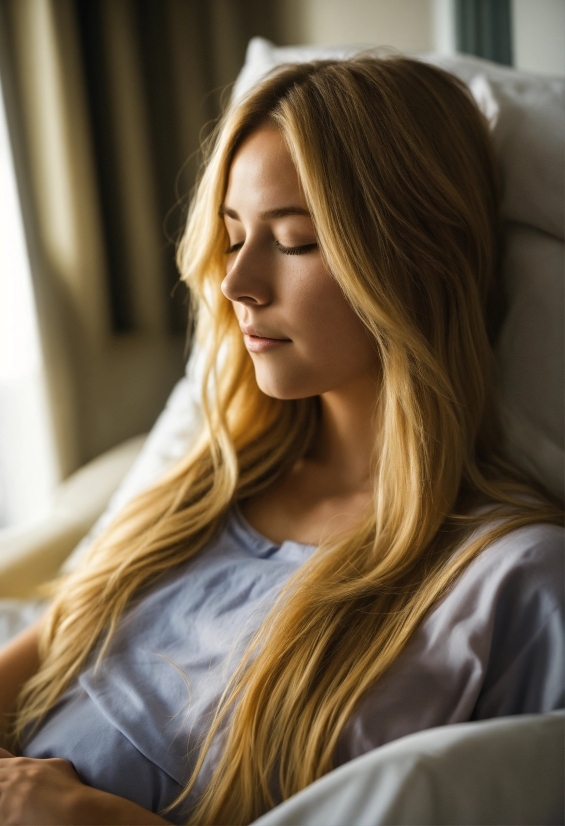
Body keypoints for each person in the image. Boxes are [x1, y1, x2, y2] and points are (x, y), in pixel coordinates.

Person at [0, 56, 562, 825]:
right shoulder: (209, 486)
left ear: (416, 257)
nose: (236, 285)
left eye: (295, 241)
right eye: (232, 238)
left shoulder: (511, 582)